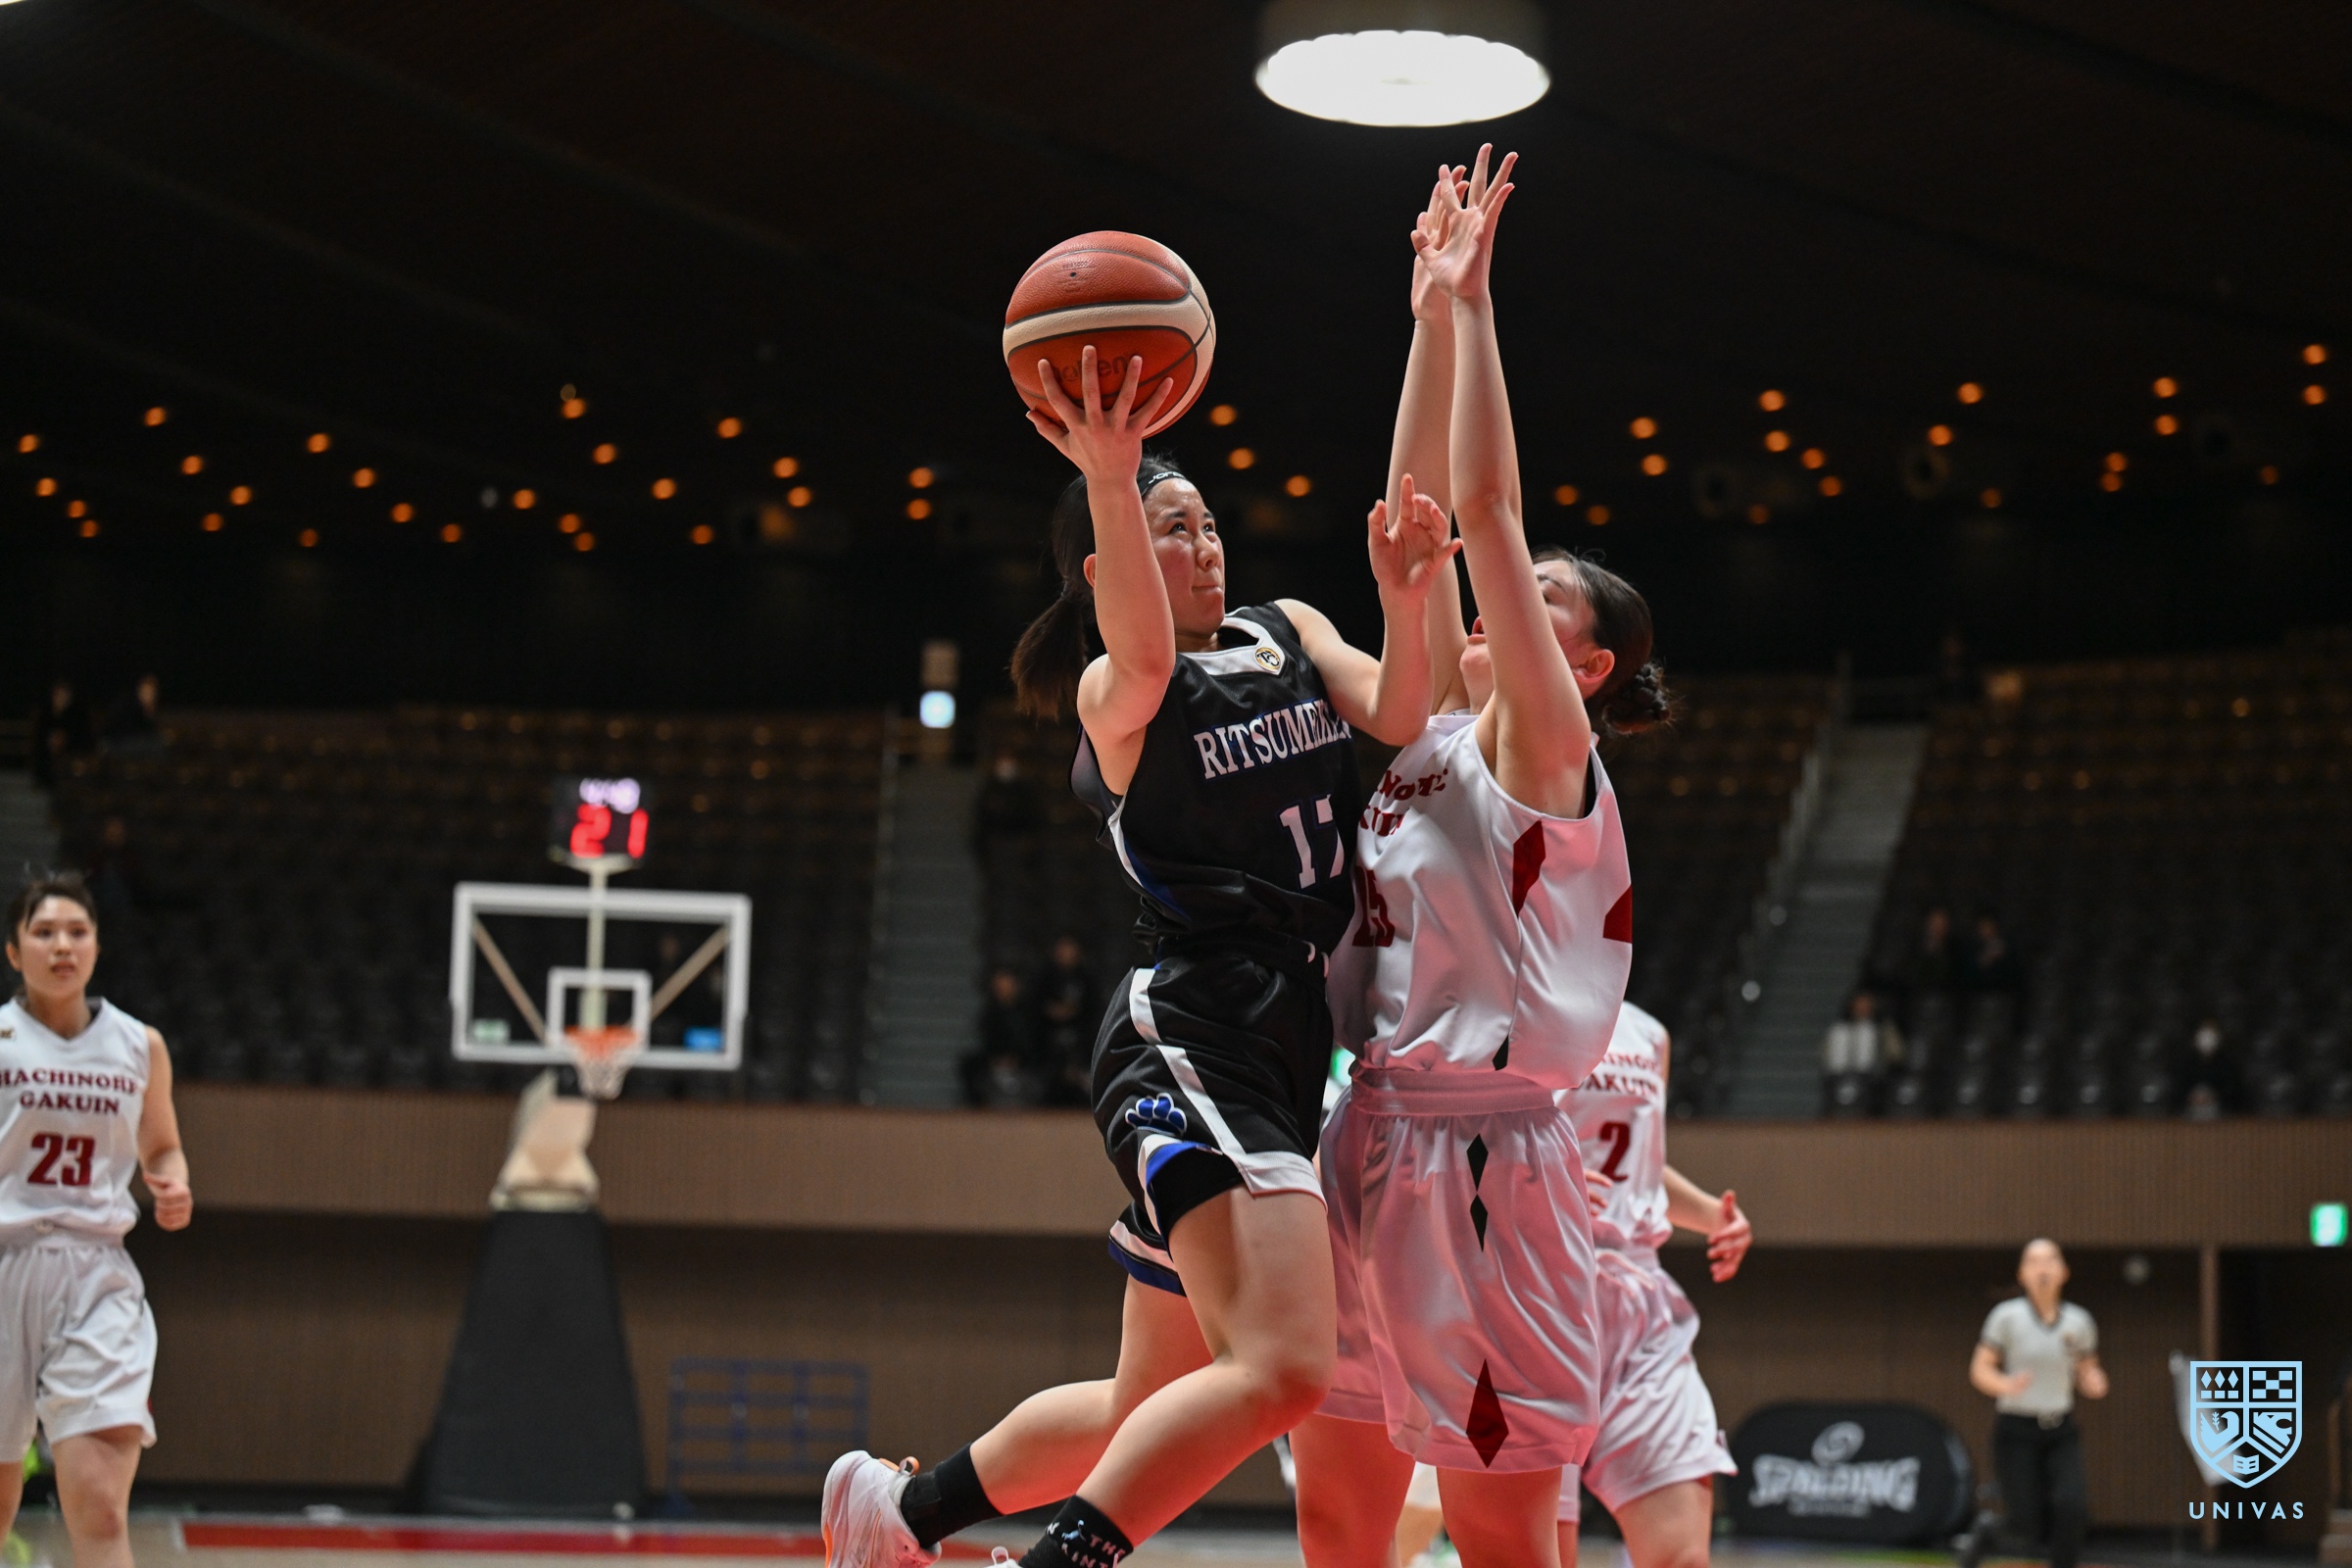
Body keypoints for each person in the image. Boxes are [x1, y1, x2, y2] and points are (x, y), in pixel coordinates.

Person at [822, 302, 1451, 1566]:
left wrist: (1408, 593)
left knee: (1142, 1407)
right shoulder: (1116, 694)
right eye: (1172, 529)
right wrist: (1112, 476)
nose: (1203, 544)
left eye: (1207, 522)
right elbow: (1148, 653)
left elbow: (1402, 706)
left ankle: (903, 1512)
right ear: (1105, 569)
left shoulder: (1287, 628)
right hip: (1199, 1029)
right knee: (1284, 1367)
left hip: (1287, 1037)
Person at [1290, 146, 1668, 1568]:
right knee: (1339, 1513)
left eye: (1546, 600)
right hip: (1369, 1128)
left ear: (1585, 662)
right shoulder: (1436, 733)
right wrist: (1424, 321)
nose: (1510, 588)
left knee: (1503, 1537)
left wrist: (1478, 308)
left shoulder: (1546, 751)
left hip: (1494, 1162)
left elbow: (1489, 515)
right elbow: (1422, 521)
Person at [0, 871, 194, 1568]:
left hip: (94, 1276)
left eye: (77, 932)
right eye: (44, 932)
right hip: (5, 1264)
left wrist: (172, 1180)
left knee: (101, 1507)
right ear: (14, 952)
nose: (62, 945)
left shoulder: (140, 1045)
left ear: (96, 946)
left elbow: (162, 1143)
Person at [1553, 1003, 1749, 1568]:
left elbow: (1640, 1165)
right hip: (1540, 1288)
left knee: (1681, 1557)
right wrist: (1533, 1174)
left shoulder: (1649, 1033)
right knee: (1536, 1555)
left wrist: (1712, 1215)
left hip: (1637, 1296)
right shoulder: (1508, 1002)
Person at [1958, 1239, 2107, 1568]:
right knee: (2025, 1525)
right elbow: (1980, 1369)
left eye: (2051, 1260)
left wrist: (2093, 1380)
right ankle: (1986, 1532)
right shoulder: (2006, 1317)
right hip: (2017, 1430)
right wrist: (2004, 1384)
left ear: (2064, 1272)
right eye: (2034, 1261)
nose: (2043, 1268)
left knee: (2072, 1508)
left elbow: (2087, 1366)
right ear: (2022, 1274)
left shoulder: (2079, 1321)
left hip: (2060, 1429)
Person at [1027, 937, 1099, 1109]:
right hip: (1048, 1037)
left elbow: (1093, 1009)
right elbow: (1035, 1006)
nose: (1066, 954)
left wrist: (1073, 1012)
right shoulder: (1044, 977)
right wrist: (1053, 1011)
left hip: (1080, 1037)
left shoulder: (1087, 978)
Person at [960, 967, 1033, 1108]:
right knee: (969, 1064)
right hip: (995, 1059)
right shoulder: (989, 1013)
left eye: (1007, 985)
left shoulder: (1026, 1012)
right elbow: (988, 1040)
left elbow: (1029, 1040)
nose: (1003, 989)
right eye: (999, 986)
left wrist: (1015, 1058)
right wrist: (996, 1059)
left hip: (1022, 1059)